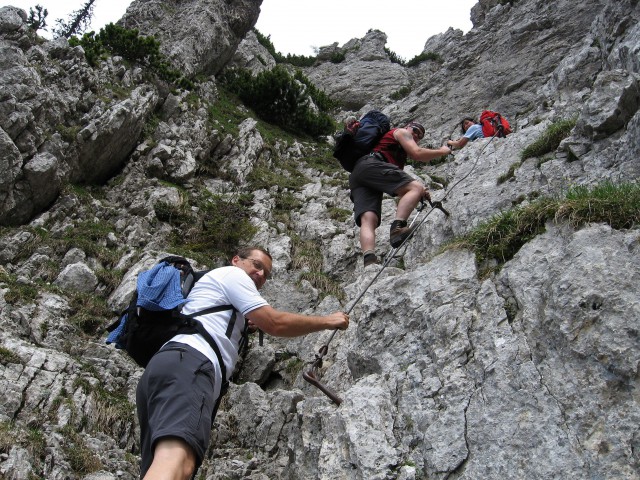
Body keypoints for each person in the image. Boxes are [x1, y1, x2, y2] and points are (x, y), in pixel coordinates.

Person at [136, 246, 349, 479]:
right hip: (192, 365)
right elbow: (274, 323)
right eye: (257, 265)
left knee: (166, 466)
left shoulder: (214, 288)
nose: (260, 275)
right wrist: (328, 320)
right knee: (177, 461)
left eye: (266, 274)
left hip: (167, 366)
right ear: (236, 260)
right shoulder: (233, 274)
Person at [349, 121, 451, 267]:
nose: (416, 135)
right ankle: (397, 229)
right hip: (372, 164)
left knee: (369, 218)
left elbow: (399, 188)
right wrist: (442, 151)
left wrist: (418, 193)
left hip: (359, 174)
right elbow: (417, 154)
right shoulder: (400, 132)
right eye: (415, 130)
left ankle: (369, 260)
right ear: (407, 127)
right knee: (415, 187)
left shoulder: (395, 154)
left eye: (419, 136)